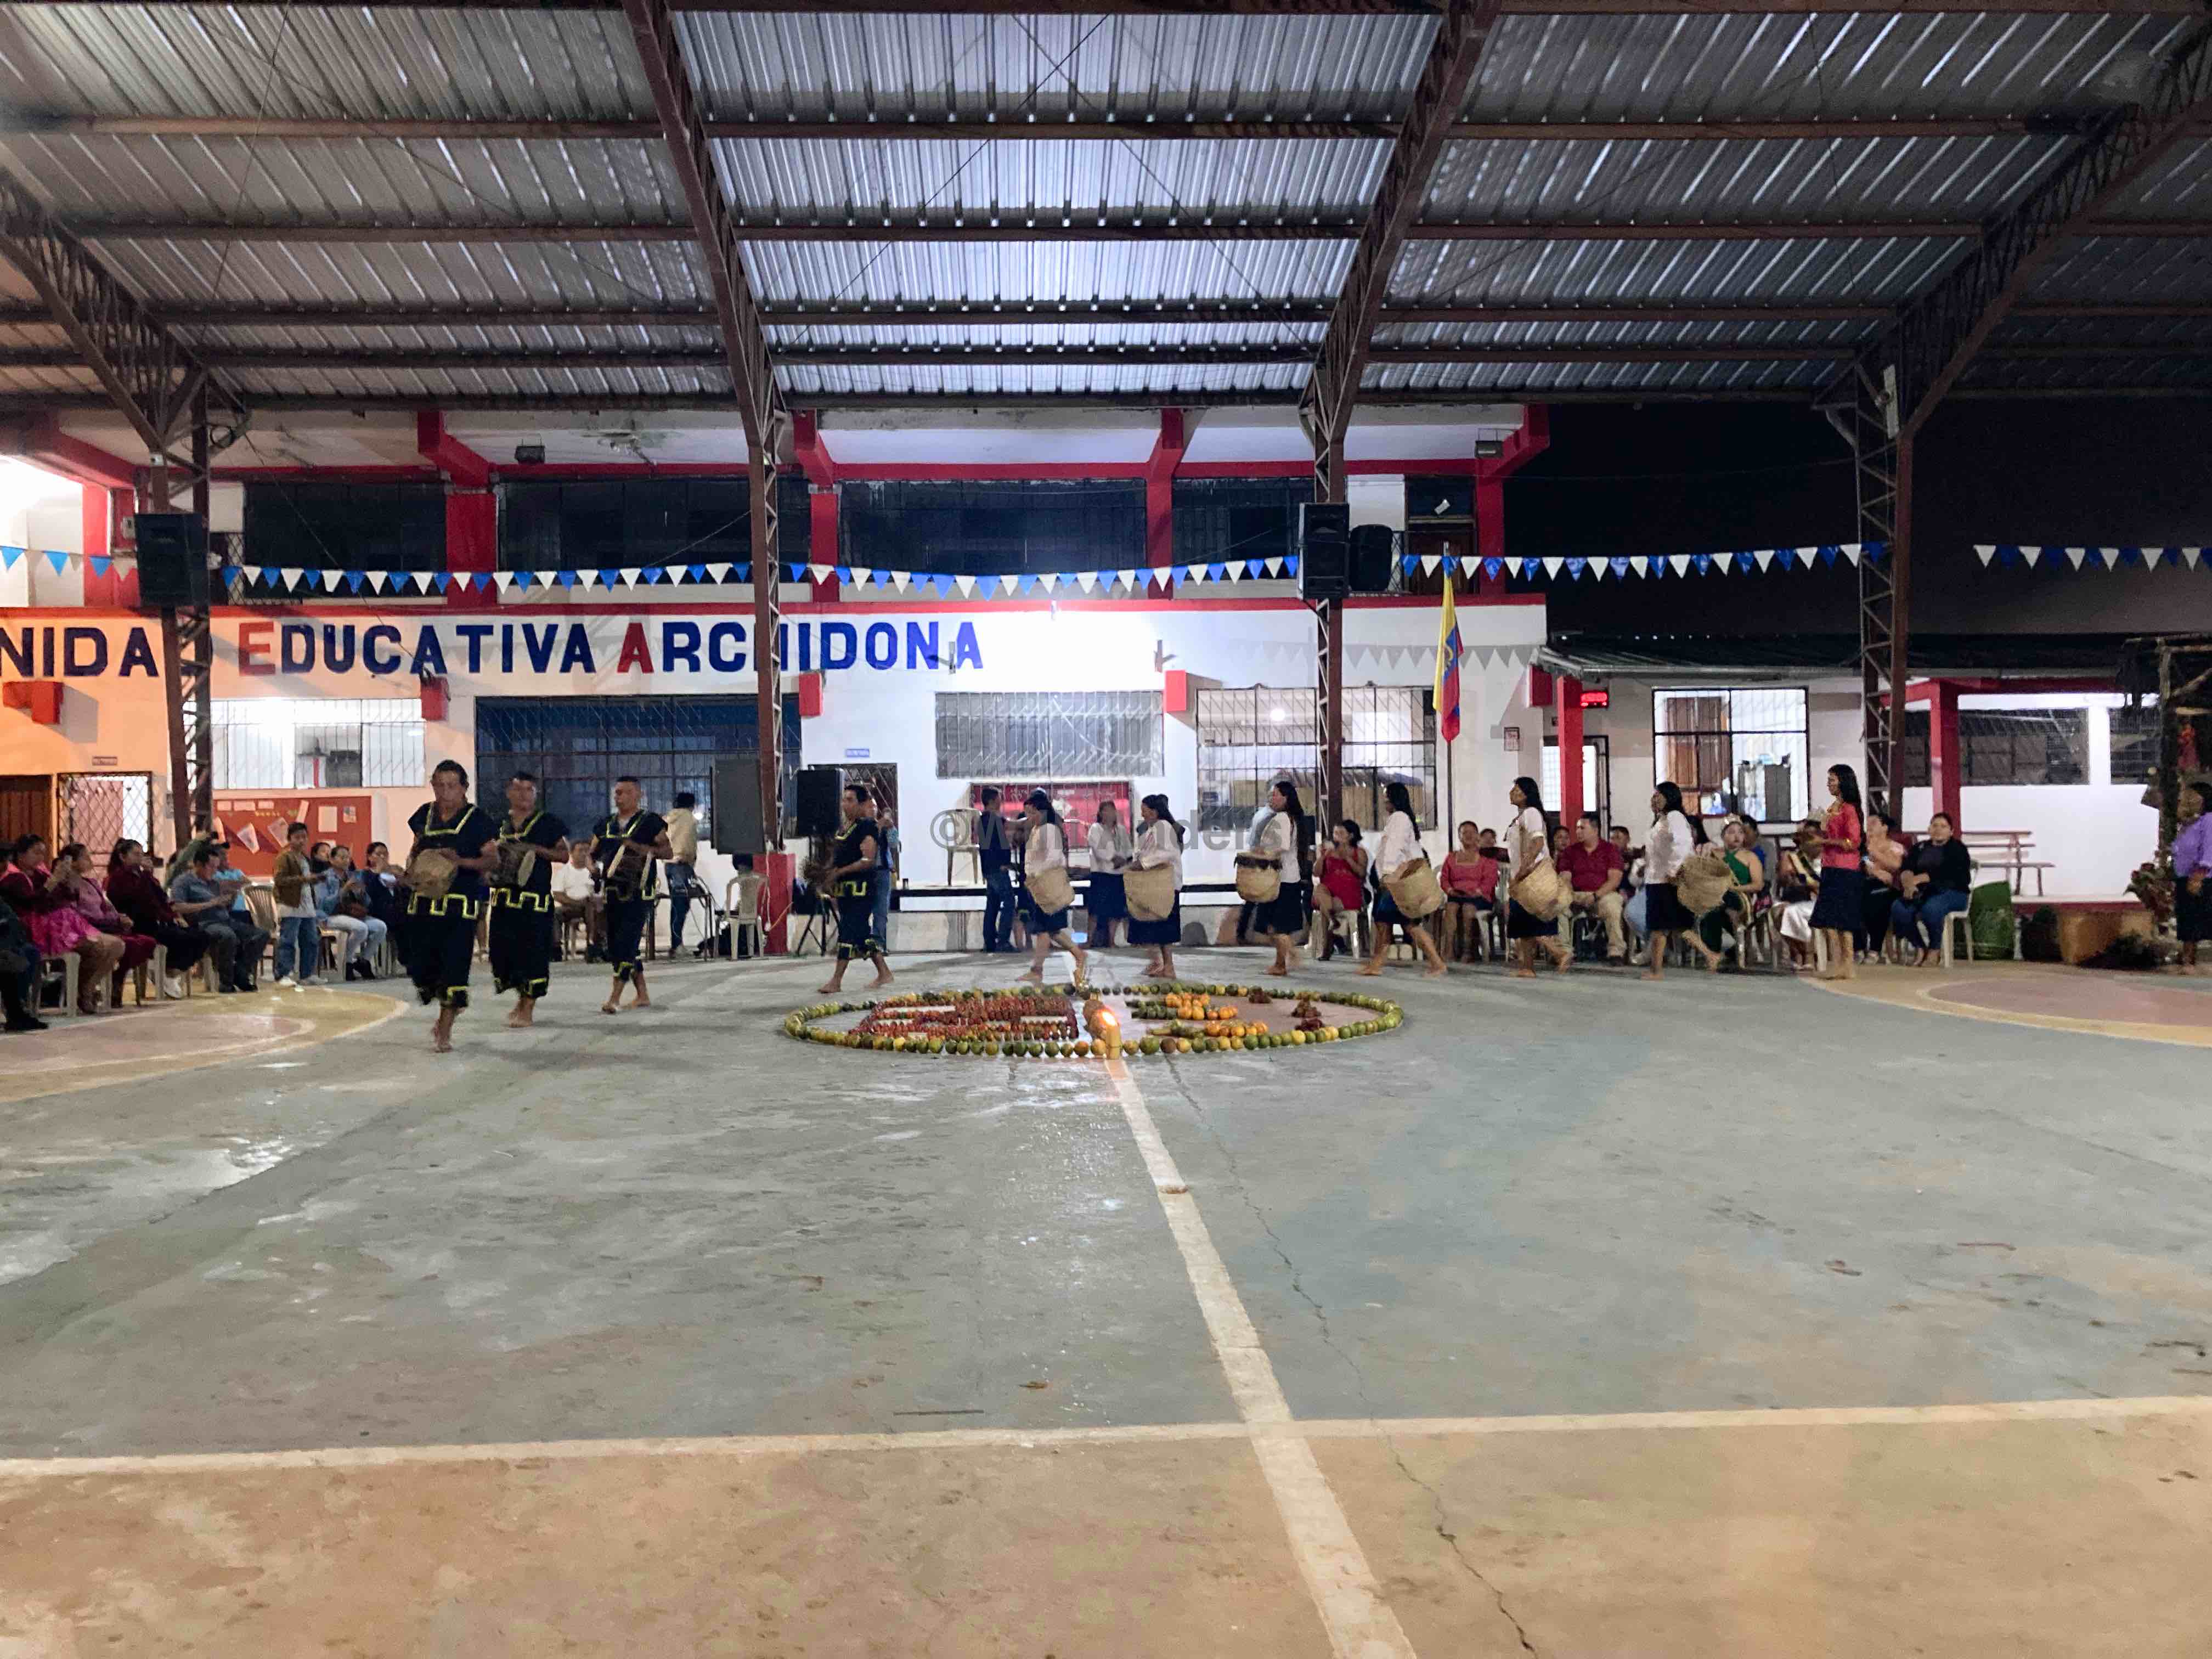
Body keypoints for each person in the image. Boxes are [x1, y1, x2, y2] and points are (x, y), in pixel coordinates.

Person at [400, 760, 499, 1052]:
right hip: (422, 903)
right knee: (420, 966)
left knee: (454, 967)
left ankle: (444, 1028)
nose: (445, 792)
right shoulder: (424, 815)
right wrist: (410, 871)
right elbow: (415, 850)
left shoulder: (478, 819)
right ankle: (452, 1004)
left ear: (464, 788)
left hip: (459, 906)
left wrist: (460, 862)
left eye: (452, 786)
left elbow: (492, 860)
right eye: (439, 785)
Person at [2, 835, 127, 1014]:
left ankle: (85, 988)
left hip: (61, 924)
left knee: (117, 946)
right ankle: (81, 992)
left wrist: (67, 882)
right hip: (38, 931)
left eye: (43, 853)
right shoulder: (14, 879)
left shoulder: (41, 874)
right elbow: (34, 905)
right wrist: (53, 882)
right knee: (100, 947)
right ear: (21, 855)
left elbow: (63, 900)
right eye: (36, 853)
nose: (40, 858)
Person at [488, 770, 570, 1027]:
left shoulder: (548, 823)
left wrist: (535, 849)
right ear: (508, 793)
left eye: (529, 790)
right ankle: (521, 999)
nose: (523, 794)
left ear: (536, 794)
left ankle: (528, 1008)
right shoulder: (498, 824)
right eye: (518, 789)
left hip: (534, 902)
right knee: (503, 955)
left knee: (533, 955)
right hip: (503, 901)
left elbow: (564, 855)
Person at [591, 776, 673, 1015]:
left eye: (625, 792)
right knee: (616, 943)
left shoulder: (650, 822)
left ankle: (615, 998)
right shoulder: (606, 824)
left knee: (626, 942)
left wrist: (641, 849)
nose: (619, 797)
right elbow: (591, 853)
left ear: (638, 795)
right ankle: (643, 995)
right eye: (617, 792)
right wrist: (591, 867)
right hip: (612, 891)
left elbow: (668, 851)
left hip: (639, 892)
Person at [1362, 780, 1448, 977]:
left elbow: (1395, 848)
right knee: (1398, 924)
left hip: (1397, 879)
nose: (1384, 801)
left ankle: (1435, 963)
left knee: (1395, 923)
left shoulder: (1399, 818)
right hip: (1397, 878)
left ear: (1394, 799)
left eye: (1386, 797)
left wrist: (1387, 875)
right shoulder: (1401, 818)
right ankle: (1377, 964)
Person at [819, 782, 895, 995]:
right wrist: (828, 875)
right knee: (861, 934)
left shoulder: (867, 827)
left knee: (847, 931)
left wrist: (839, 872)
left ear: (862, 804)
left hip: (861, 891)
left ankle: (836, 981)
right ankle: (884, 973)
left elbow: (868, 860)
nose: (845, 804)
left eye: (850, 800)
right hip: (845, 892)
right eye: (844, 800)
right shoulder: (845, 828)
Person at [104, 839, 207, 997]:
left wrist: (174, 916)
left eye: (142, 854)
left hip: (158, 922)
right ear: (123, 857)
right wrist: (146, 874)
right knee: (180, 938)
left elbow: (162, 899)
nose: (141, 858)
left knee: (201, 936)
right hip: (138, 924)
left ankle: (170, 972)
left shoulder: (144, 876)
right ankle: (163, 971)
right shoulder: (117, 878)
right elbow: (137, 898)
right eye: (136, 854)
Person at [60, 843, 156, 1001]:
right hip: (88, 928)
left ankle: (112, 981)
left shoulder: (91, 882)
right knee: (123, 944)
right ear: (72, 861)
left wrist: (118, 918)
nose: (89, 860)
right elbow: (76, 914)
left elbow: (108, 907)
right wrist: (114, 920)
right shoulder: (67, 886)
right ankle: (90, 988)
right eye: (85, 857)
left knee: (146, 942)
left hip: (107, 925)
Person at [168, 843, 265, 992]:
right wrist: (211, 903)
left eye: (217, 867)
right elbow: (177, 907)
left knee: (260, 935)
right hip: (203, 923)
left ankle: (240, 973)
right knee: (228, 936)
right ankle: (226, 983)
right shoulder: (183, 882)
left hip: (225, 920)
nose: (215, 871)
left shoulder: (214, 883)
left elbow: (223, 907)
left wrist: (230, 901)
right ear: (198, 865)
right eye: (211, 867)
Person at [1018, 789, 1090, 985]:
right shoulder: (1038, 830)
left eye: (1032, 813)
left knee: (1046, 930)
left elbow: (1055, 857)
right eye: (1027, 813)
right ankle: (1076, 955)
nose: (1029, 817)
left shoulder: (1050, 829)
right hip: (1040, 887)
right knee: (1051, 930)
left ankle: (1038, 970)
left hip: (1049, 885)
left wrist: (1036, 872)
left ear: (1041, 811)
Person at [1502, 777, 1571, 978]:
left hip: (1530, 875)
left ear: (1527, 794)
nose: (1512, 793)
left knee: (1528, 921)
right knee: (1524, 924)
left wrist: (1524, 870)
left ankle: (1559, 953)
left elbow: (1537, 842)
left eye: (1517, 789)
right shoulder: (1522, 816)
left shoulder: (1531, 813)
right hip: (1523, 874)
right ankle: (1528, 967)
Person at [1805, 764, 1866, 981]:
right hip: (1830, 866)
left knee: (1842, 920)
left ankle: (1847, 965)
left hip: (1845, 869)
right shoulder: (1833, 808)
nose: (1829, 784)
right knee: (1830, 920)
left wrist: (1824, 841)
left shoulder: (1849, 809)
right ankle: (1838, 962)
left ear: (1843, 781)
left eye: (1832, 779)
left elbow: (1854, 842)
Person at [1891, 811, 1974, 967]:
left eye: (1943, 826)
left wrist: (1919, 879)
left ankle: (1935, 949)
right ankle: (1920, 947)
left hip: (1953, 893)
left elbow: (1948, 873)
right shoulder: (1920, 848)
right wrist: (1909, 884)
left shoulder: (1958, 849)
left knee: (1931, 909)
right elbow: (1906, 868)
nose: (1938, 829)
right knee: (1899, 908)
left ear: (1951, 831)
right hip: (1922, 892)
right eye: (1935, 826)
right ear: (1929, 829)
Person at [1640, 782, 1702, 981]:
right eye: (1653, 796)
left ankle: (1656, 971)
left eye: (1658, 795)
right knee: (1676, 926)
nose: (1654, 799)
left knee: (1659, 928)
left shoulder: (1675, 817)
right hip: (1656, 879)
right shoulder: (1661, 820)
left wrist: (1674, 871)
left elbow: (1683, 845)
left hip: (1665, 881)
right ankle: (1711, 955)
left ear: (1670, 797)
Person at [1250, 780, 1309, 978]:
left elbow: (1283, 846)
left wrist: (1263, 851)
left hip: (1282, 880)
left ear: (1286, 798)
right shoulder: (1289, 818)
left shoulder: (1283, 818)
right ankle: (1285, 958)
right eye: (1271, 794)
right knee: (1273, 926)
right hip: (1286, 878)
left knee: (1275, 926)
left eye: (1275, 794)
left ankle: (1284, 960)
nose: (1271, 798)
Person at [1692, 817, 1767, 970]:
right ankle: (1713, 954)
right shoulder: (1714, 854)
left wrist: (1733, 889)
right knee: (1711, 911)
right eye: (1731, 832)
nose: (1737, 836)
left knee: (1720, 898)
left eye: (1740, 832)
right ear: (1723, 836)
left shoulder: (1750, 857)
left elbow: (1758, 885)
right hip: (1717, 899)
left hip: (1741, 899)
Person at [1558, 811, 1628, 964]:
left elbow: (1614, 881)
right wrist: (1571, 895)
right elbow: (1565, 877)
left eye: (1582, 828)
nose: (1578, 831)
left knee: (1613, 905)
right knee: (1559, 905)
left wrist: (1595, 896)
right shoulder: (1570, 852)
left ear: (1595, 830)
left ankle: (1616, 952)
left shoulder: (1610, 850)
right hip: (1576, 895)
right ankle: (1564, 952)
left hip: (1602, 895)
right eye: (1577, 828)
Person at [1130, 794, 1186, 980]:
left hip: (1167, 885)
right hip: (1158, 885)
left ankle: (1169, 967)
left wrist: (1143, 863)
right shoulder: (1153, 829)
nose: (1143, 815)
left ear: (1154, 812)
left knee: (1165, 928)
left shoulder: (1163, 826)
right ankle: (1165, 965)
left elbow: (1167, 853)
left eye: (1145, 811)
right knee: (1160, 928)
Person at [315, 845, 386, 981]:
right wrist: (344, 890)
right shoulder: (324, 877)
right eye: (342, 857)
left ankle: (363, 961)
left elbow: (367, 903)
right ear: (332, 860)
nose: (346, 861)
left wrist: (362, 894)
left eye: (348, 857)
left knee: (381, 927)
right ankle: (347, 963)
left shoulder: (353, 876)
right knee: (361, 928)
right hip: (330, 916)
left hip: (352, 914)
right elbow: (324, 905)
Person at [270, 821, 325, 988]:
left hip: (306, 905)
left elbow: (305, 880)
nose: (301, 841)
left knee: (310, 940)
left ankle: (307, 974)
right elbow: (280, 880)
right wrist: (305, 879)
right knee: (288, 941)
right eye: (297, 837)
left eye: (304, 837)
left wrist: (314, 880)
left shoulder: (305, 858)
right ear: (289, 839)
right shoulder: (284, 857)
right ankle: (283, 974)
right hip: (290, 904)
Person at [1310, 819, 1370, 961]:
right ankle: (1333, 921)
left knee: (1325, 906)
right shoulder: (1327, 852)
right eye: (1335, 833)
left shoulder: (1359, 852)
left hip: (1348, 895)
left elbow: (1361, 873)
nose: (1336, 837)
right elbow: (1316, 873)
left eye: (1341, 833)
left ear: (1351, 836)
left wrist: (1347, 858)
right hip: (1328, 891)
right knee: (1319, 889)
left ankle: (1327, 947)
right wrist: (1322, 856)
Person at [1439, 821, 1499, 963]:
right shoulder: (1451, 857)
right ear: (1459, 837)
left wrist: (1478, 892)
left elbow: (1490, 879)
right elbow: (1444, 878)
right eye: (1464, 833)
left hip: (1480, 897)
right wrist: (1450, 890)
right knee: (1450, 908)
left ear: (1478, 835)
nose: (1469, 835)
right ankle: (1449, 951)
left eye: (1472, 832)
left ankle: (1468, 951)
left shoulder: (1486, 858)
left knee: (1468, 908)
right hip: (1457, 895)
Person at [1858, 809, 1905, 961]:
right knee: (1853, 899)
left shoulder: (1895, 846)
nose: (1869, 826)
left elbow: (1895, 866)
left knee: (1878, 901)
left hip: (1889, 888)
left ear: (1885, 827)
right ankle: (1858, 948)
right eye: (1868, 823)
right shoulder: (1862, 847)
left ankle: (1875, 949)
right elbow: (1861, 865)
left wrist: (1875, 852)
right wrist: (1876, 871)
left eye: (1874, 823)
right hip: (1866, 884)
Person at [2174, 784, 2212, 973]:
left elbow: (2210, 849)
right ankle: (2188, 960)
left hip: (2202, 879)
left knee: (2199, 919)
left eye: (2191, 796)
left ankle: (2189, 961)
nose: (2185, 800)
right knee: (2187, 919)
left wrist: (2199, 875)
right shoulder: (2187, 824)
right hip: (2183, 877)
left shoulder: (2209, 820)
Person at [1775, 819, 1822, 970]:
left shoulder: (1829, 858)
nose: (1809, 841)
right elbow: (1783, 881)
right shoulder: (1793, 857)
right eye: (1805, 837)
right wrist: (1788, 875)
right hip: (1793, 899)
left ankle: (1807, 954)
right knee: (1779, 913)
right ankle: (1798, 953)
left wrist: (1808, 884)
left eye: (1813, 836)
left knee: (1791, 912)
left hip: (1820, 901)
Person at [1085, 800, 1131, 950]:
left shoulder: (1121, 830)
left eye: (1112, 810)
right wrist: (1113, 858)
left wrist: (1125, 859)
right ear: (1100, 813)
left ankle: (1111, 941)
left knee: (1116, 910)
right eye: (1106, 810)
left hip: (1119, 873)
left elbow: (1128, 849)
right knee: (1096, 909)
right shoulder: (1096, 828)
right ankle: (1089, 940)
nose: (1109, 813)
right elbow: (1098, 850)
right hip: (1101, 873)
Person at [976, 787, 1015, 952]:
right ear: (992, 801)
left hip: (989, 869)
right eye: (1000, 798)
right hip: (998, 868)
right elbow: (1001, 844)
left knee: (992, 905)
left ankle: (990, 942)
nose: (1002, 801)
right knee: (1010, 902)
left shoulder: (983, 820)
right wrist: (1004, 863)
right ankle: (1003, 941)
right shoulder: (994, 819)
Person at [549, 839, 601, 961]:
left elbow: (600, 891)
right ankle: (556, 947)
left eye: (587, 851)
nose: (584, 854)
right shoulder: (564, 872)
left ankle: (594, 946)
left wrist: (594, 872)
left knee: (594, 909)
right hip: (570, 905)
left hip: (591, 906)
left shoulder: (595, 870)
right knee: (555, 913)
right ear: (572, 853)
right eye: (580, 850)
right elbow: (557, 895)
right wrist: (577, 902)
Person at [662, 790, 701, 953]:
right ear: (692, 804)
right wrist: (690, 860)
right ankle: (677, 945)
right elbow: (689, 845)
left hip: (669, 865)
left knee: (676, 904)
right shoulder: (690, 819)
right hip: (682, 866)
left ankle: (676, 943)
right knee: (681, 905)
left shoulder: (668, 818)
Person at [0, 888, 42, 1031]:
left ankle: (19, 1005)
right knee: (8, 960)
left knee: (30, 952)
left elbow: (13, 921)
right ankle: (15, 1013)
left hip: (6, 943)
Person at [871, 800, 900, 957]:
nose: (873, 809)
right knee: (862, 909)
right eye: (870, 806)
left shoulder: (884, 826)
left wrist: (891, 828)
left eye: (875, 807)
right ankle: (861, 944)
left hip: (883, 871)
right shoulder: (861, 826)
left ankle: (878, 945)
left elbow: (894, 844)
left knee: (882, 910)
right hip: (866, 872)